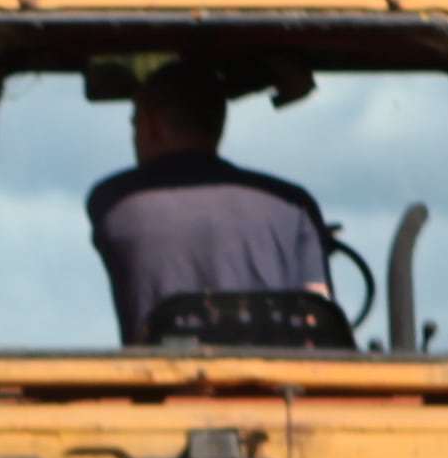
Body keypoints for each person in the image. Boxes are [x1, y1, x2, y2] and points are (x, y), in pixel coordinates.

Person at [84, 71, 334, 342]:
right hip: (277, 383)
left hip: (160, 382)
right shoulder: (294, 204)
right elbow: (317, 319)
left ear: (150, 125)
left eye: (135, 124)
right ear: (219, 123)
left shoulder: (114, 201)